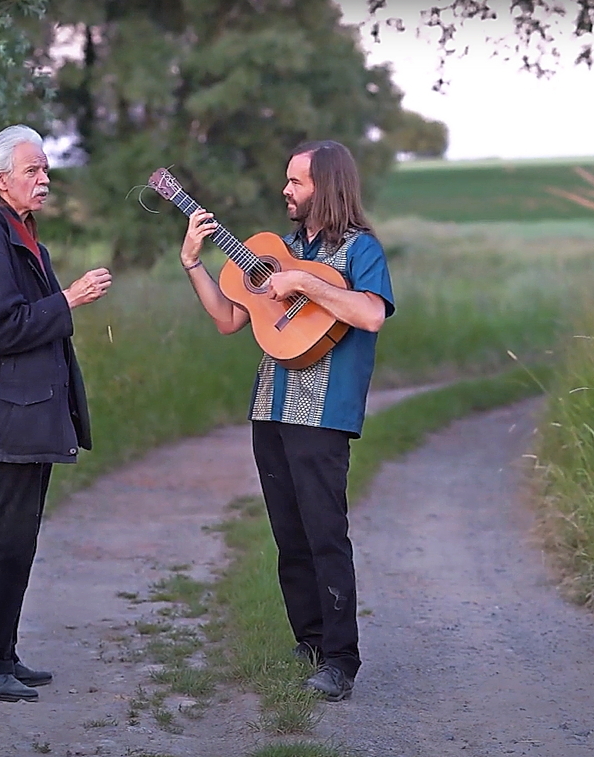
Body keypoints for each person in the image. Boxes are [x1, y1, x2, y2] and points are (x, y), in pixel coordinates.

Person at [178, 140, 394, 701]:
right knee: (288, 533)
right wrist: (194, 264)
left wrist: (303, 283)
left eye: (295, 183)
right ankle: (311, 642)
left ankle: (342, 661)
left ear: (327, 187)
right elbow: (229, 319)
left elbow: (369, 313)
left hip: (324, 411)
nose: (285, 192)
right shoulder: (280, 248)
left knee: (325, 532)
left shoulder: (360, 249)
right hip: (270, 404)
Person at [0, 124, 113, 702]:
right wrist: (70, 298)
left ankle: (1, 655)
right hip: (10, 411)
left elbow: (19, 316)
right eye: (33, 171)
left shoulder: (16, 232)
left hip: (27, 407)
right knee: (6, 540)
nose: (44, 180)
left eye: (46, 170)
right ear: (1, 180)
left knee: (19, 541)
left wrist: (61, 298)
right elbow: (1, 329)